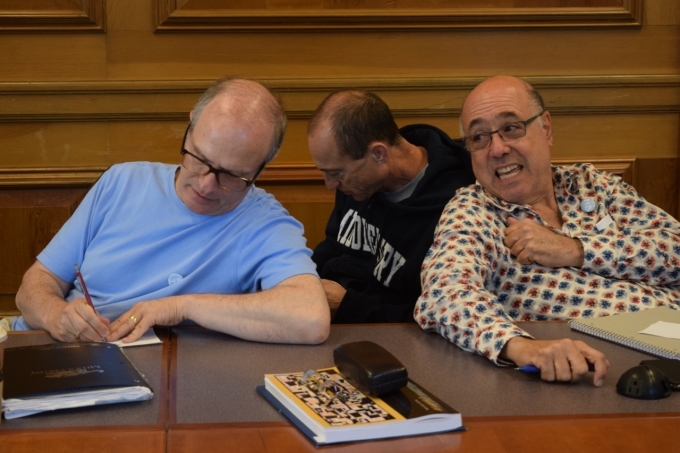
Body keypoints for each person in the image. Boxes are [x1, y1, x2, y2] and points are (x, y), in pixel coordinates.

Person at [13, 77, 330, 345]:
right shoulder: (122, 181)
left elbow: (310, 318)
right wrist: (56, 315)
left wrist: (183, 306)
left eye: (232, 175)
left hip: (151, 372)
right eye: (199, 159)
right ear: (190, 125)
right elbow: (35, 285)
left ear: (261, 168)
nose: (206, 186)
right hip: (47, 345)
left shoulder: (265, 223)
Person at [416, 75, 680, 386]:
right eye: (479, 138)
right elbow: (444, 295)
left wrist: (576, 250)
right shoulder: (474, 212)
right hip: (623, 371)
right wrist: (523, 348)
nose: (497, 149)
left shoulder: (592, 184)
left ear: (546, 128)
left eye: (511, 128)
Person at [308, 90, 475, 323]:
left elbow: (436, 317)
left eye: (336, 173)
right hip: (329, 319)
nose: (330, 185)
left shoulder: (456, 208)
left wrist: (348, 305)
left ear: (378, 154)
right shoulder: (357, 186)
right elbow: (332, 247)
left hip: (392, 340)